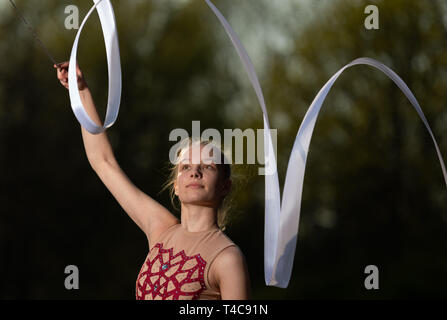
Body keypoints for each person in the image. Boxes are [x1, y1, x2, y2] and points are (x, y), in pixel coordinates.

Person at [54, 62, 251, 300]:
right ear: (176, 186)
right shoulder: (161, 229)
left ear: (225, 186)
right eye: (186, 166)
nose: (194, 172)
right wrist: (81, 90)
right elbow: (103, 162)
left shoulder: (227, 258)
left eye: (207, 167)